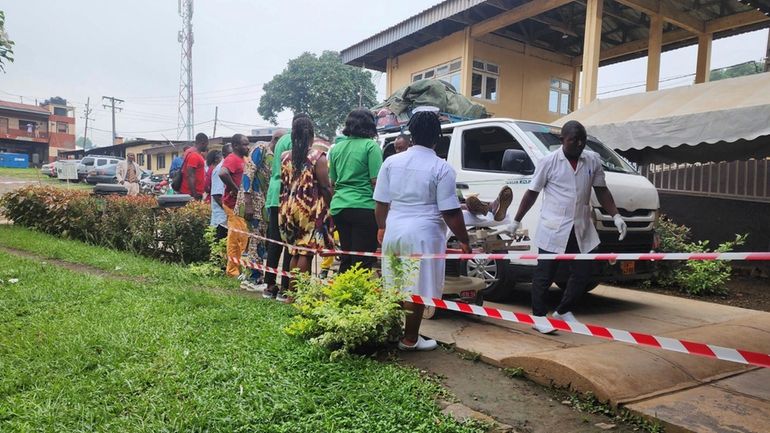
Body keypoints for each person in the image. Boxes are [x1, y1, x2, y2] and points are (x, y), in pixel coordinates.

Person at [509, 120, 627, 334]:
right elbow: (531, 193)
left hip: (582, 227)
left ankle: (564, 310)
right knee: (545, 274)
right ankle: (538, 316)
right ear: (562, 140)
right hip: (554, 227)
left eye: (582, 140)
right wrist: (516, 220)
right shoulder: (549, 162)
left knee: (584, 271)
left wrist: (616, 215)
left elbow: (602, 190)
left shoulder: (592, 160)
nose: (579, 144)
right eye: (574, 140)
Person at [374, 108, 471, 351]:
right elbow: (450, 211)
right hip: (423, 233)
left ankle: (392, 332)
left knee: (394, 283)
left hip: (394, 229)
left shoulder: (391, 162)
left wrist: (382, 227)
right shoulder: (442, 168)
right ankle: (410, 339)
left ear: (411, 135)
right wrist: (464, 240)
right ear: (437, 137)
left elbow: (381, 202)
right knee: (415, 288)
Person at [278, 116, 334, 303]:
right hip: (308, 207)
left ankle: (292, 294)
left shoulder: (285, 156)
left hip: (287, 206)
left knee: (295, 249)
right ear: (311, 134)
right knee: (306, 252)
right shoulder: (318, 156)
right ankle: (296, 296)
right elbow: (325, 186)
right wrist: (331, 205)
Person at [328, 109, 383, 274]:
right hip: (364, 207)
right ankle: (357, 298)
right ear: (370, 125)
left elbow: (332, 182)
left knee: (346, 257)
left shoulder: (337, 148)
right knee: (362, 261)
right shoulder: (371, 146)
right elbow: (376, 182)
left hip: (340, 207)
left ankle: (342, 296)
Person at [264, 113, 310, 298]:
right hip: (288, 194)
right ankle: (285, 287)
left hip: (274, 194)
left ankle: (269, 285)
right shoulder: (294, 140)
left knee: (275, 242)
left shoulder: (282, 139)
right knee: (290, 243)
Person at [236, 130, 283, 292]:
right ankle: (253, 278)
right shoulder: (261, 148)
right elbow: (248, 173)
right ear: (276, 139)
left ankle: (254, 275)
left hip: (264, 204)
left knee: (260, 241)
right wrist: (247, 202)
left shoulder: (276, 156)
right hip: (253, 203)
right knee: (256, 240)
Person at [220, 134, 249, 278]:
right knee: (236, 238)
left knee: (242, 237)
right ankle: (232, 271)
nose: (247, 147)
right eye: (244, 144)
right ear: (236, 146)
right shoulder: (232, 158)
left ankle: (239, 269)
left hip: (241, 205)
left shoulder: (243, 159)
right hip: (233, 204)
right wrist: (235, 189)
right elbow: (223, 173)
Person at [210, 144, 232, 240]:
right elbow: (217, 195)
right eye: (231, 154)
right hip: (222, 219)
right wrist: (229, 212)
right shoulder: (220, 169)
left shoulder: (230, 166)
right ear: (224, 154)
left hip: (229, 218)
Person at [180, 134, 208, 199]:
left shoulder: (198, 155)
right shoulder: (194, 156)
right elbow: (190, 176)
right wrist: (194, 195)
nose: (207, 146)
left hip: (196, 193)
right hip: (191, 194)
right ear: (203, 143)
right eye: (207, 144)